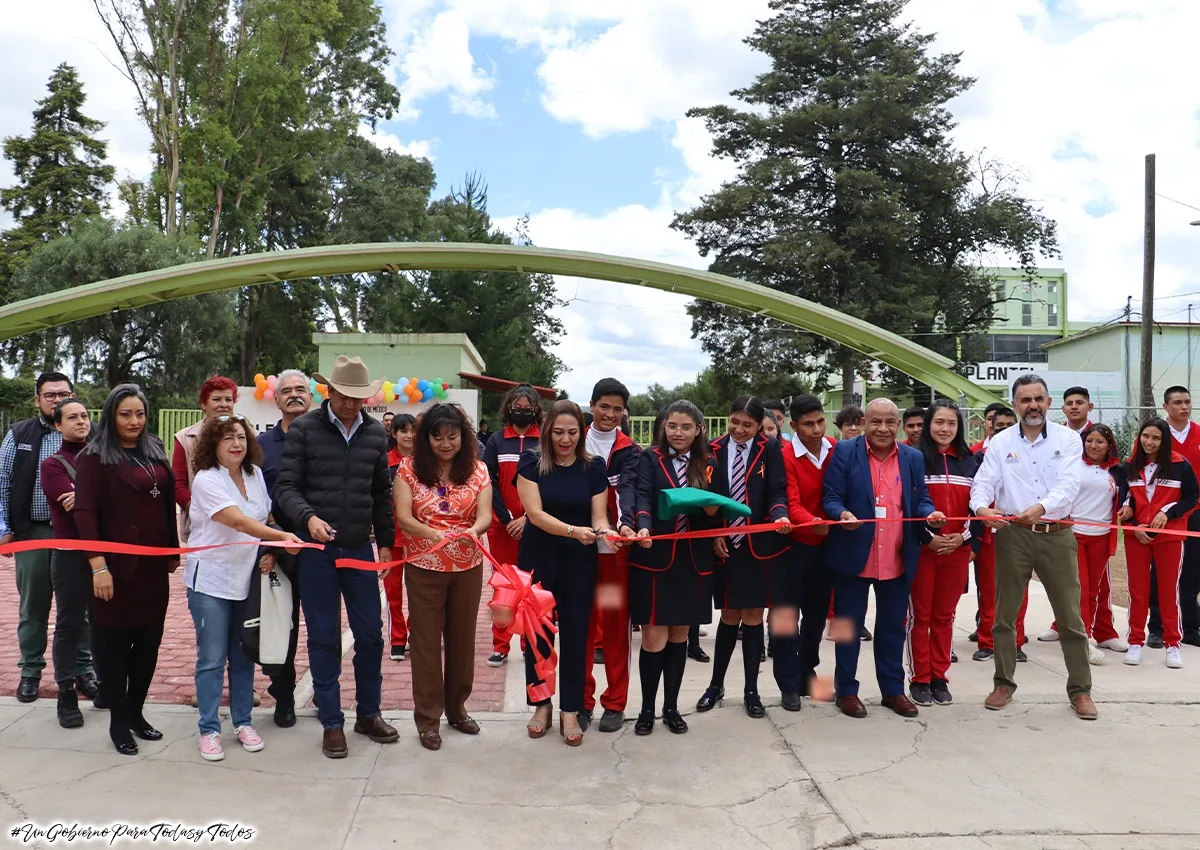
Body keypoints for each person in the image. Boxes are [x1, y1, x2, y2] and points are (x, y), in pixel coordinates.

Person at [273, 355, 398, 759]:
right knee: (325, 637)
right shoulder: (306, 430)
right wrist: (307, 519)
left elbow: (381, 493)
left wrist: (387, 541)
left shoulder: (377, 434)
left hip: (360, 547)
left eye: (359, 397)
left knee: (371, 636)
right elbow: (286, 488)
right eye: (344, 396)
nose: (350, 404)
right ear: (329, 391)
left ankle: (369, 713)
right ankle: (331, 721)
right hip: (316, 552)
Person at [971, 374, 1096, 719]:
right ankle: (1003, 683)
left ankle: (1081, 691)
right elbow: (983, 483)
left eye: (1038, 399)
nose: (1033, 406)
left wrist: (1041, 507)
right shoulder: (1000, 443)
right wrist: (982, 509)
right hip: (1013, 536)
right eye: (1025, 400)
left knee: (1070, 617)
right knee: (1004, 616)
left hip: (1056, 533)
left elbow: (1070, 485)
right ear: (1015, 404)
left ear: (1049, 402)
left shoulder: (1068, 439)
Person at [187, 415, 303, 762]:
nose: (236, 444)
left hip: (247, 579)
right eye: (227, 439)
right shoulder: (207, 480)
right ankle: (208, 728)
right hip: (210, 580)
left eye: (241, 436)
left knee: (243, 655)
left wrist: (270, 549)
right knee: (211, 658)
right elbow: (236, 520)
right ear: (212, 445)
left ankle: (242, 722)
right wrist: (281, 538)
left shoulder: (254, 475)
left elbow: (264, 520)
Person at [74, 384, 179, 755]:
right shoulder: (94, 456)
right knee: (113, 648)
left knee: (148, 645)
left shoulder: (154, 449)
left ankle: (136, 712)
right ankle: (118, 720)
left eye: (140, 413)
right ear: (110, 416)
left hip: (152, 568)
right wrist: (97, 565)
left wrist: (171, 550)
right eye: (125, 414)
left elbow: (165, 501)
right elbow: (84, 513)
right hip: (114, 571)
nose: (135, 421)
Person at [822, 399, 944, 719]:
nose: (883, 429)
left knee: (892, 627)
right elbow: (830, 497)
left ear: (899, 424)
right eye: (876, 422)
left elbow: (920, 500)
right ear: (864, 422)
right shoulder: (845, 452)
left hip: (896, 556)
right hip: (854, 555)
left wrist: (929, 514)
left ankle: (893, 691)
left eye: (890, 422)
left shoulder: (913, 458)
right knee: (848, 627)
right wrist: (842, 513)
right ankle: (846, 691)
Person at [393, 404, 492, 751]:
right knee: (425, 642)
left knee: (463, 640)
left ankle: (457, 709)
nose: (446, 444)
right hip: (424, 566)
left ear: (464, 438)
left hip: (467, 566)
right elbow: (403, 517)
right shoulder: (408, 470)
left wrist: (473, 532)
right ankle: (428, 719)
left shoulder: (478, 471)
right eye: (438, 437)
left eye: (453, 437)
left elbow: (485, 517)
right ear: (426, 439)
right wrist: (432, 535)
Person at [516, 400, 614, 746]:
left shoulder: (594, 467)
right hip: (539, 558)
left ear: (582, 433)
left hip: (579, 561)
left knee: (575, 635)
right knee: (537, 637)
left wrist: (606, 533)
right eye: (558, 432)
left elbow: (598, 516)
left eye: (573, 432)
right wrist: (575, 531)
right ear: (546, 431)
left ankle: (570, 709)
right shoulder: (530, 463)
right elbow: (536, 515)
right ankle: (541, 704)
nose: (565, 439)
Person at [0, 372, 95, 704]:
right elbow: (2, 481)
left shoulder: (90, 433)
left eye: (64, 394)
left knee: (80, 607)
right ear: (37, 399)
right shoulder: (19, 434)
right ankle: (30, 672)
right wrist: (3, 529)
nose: (57, 400)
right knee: (33, 606)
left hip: (78, 533)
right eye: (50, 395)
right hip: (34, 532)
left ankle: (84, 670)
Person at [697, 396, 791, 719]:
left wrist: (779, 516)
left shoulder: (771, 449)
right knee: (728, 616)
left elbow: (777, 491)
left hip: (757, 545)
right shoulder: (712, 449)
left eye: (747, 425)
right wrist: (715, 532)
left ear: (758, 425)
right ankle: (715, 685)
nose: (738, 429)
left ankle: (752, 691)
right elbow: (706, 497)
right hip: (724, 545)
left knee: (752, 617)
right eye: (733, 421)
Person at [629, 400, 719, 736]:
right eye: (672, 426)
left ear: (698, 429)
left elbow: (720, 508)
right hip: (654, 556)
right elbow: (640, 496)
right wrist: (643, 526)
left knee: (680, 636)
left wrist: (710, 506)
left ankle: (671, 708)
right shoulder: (649, 458)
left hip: (692, 559)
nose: (678, 433)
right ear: (663, 428)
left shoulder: (709, 462)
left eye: (685, 427)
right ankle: (646, 710)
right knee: (653, 638)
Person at [906, 401, 980, 707]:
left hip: (957, 550)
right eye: (939, 422)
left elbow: (977, 506)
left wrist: (961, 538)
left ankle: (939, 676)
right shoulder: (914, 459)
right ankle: (920, 677)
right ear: (928, 425)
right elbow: (908, 506)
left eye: (951, 423)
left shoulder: (969, 462)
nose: (945, 429)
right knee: (920, 617)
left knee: (944, 616)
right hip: (924, 550)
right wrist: (928, 539)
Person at [582, 379, 640, 734]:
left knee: (616, 630)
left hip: (614, 555)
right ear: (592, 405)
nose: (610, 414)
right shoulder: (574, 441)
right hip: (580, 551)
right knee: (581, 629)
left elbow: (630, 490)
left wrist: (626, 525)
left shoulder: (630, 449)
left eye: (618, 409)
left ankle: (615, 702)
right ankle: (582, 702)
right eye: (605, 406)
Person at [255, 369, 312, 727]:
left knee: (324, 626)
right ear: (275, 401)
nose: (293, 395)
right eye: (286, 391)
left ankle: (325, 690)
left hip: (320, 548)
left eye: (300, 390)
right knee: (282, 626)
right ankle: (284, 695)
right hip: (278, 549)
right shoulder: (260, 447)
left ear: (312, 396)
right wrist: (271, 543)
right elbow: (255, 502)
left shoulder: (327, 437)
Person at [1119, 418, 1198, 669]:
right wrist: (1131, 523)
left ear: (1164, 441)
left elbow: (1192, 498)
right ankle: (1134, 642)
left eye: (1155, 438)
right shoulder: (1130, 466)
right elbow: (1125, 500)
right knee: (1138, 591)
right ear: (1139, 437)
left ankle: (1172, 644)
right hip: (1137, 538)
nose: (1149, 442)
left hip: (1169, 537)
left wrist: (1169, 513)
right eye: (1145, 436)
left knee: (1167, 592)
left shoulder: (1179, 465)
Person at [39, 398, 99, 727]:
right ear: (58, 425)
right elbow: (72, 507)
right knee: (69, 624)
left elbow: (114, 500)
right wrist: (99, 498)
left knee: (104, 622)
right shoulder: (53, 464)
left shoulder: (104, 458)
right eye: (72, 417)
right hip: (70, 557)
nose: (81, 421)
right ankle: (65, 693)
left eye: (85, 415)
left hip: (104, 555)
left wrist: (89, 495)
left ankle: (99, 681)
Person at [776, 396, 836, 711]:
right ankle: (787, 683)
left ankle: (807, 672)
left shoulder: (834, 448)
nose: (816, 430)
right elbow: (791, 500)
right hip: (792, 547)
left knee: (815, 617)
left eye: (820, 422)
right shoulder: (785, 455)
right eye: (808, 424)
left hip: (825, 547)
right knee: (786, 617)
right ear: (794, 425)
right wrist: (811, 522)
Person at [484, 383, 543, 667]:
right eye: (517, 407)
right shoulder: (496, 441)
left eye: (527, 407)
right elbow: (489, 482)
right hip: (503, 527)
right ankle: (500, 644)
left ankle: (530, 642)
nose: (522, 411)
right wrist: (507, 518)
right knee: (504, 588)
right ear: (509, 409)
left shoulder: (544, 440)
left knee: (533, 585)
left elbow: (549, 482)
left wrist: (529, 518)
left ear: (535, 410)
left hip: (537, 525)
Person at [1058, 424, 1127, 657]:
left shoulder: (1118, 470)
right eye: (1089, 441)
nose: (1093, 446)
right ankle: (1082, 637)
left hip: (1102, 537)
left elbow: (1128, 496)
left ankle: (1104, 634)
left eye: (1100, 442)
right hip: (1074, 535)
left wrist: (1128, 507)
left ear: (1109, 446)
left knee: (1096, 590)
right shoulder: (1072, 465)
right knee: (1081, 589)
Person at [970, 406, 1029, 661]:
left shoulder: (1026, 455)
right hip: (988, 531)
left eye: (1009, 424)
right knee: (988, 588)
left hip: (1018, 531)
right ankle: (987, 641)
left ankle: (1016, 642)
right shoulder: (976, 455)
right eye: (999, 424)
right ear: (990, 426)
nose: (1003, 428)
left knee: (1019, 588)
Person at [1154, 386, 1200, 648]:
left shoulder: (1199, 433)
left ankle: (1192, 627)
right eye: (1178, 402)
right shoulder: (1156, 436)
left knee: (1193, 571)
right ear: (1166, 407)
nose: (1184, 407)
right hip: (1162, 516)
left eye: (1187, 402)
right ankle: (1157, 628)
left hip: (1195, 513)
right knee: (1160, 573)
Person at [171, 375, 237, 542]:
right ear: (203, 404)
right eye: (216, 399)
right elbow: (177, 484)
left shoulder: (250, 436)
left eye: (228, 399)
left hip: (241, 525)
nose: (224, 404)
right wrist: (202, 512)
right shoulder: (185, 438)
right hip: (201, 527)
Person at [384, 412, 417, 660]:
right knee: (393, 593)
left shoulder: (426, 464)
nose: (409, 436)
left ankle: (417, 635)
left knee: (420, 592)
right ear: (393, 434)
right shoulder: (384, 463)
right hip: (391, 538)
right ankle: (397, 639)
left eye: (413, 430)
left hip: (419, 538)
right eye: (403, 431)